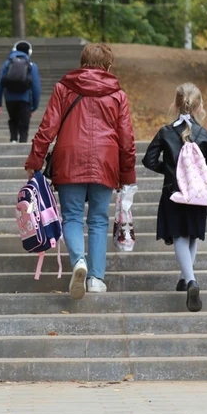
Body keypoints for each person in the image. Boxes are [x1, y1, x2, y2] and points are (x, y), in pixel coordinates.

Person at [24, 43, 137, 300]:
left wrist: (35, 161)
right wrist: (128, 176)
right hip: (105, 162)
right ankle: (96, 279)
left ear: (82, 63)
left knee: (72, 217)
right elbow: (127, 140)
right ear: (108, 66)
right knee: (98, 220)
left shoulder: (64, 88)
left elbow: (47, 128)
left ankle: (79, 263)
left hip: (69, 159)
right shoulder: (117, 94)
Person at [142, 83, 207, 312]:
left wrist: (171, 170)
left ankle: (190, 281)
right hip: (198, 195)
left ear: (176, 104)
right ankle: (185, 278)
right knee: (192, 236)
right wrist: (196, 173)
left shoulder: (166, 132)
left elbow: (148, 160)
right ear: (199, 106)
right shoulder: (205, 135)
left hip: (173, 192)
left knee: (179, 236)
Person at [0, 41, 41, 143]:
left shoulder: (7, 63)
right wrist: (34, 106)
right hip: (25, 99)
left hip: (9, 98)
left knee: (13, 120)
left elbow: (0, 82)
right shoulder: (31, 65)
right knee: (24, 125)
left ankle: (13, 140)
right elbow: (36, 87)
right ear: (29, 52)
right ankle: (23, 144)